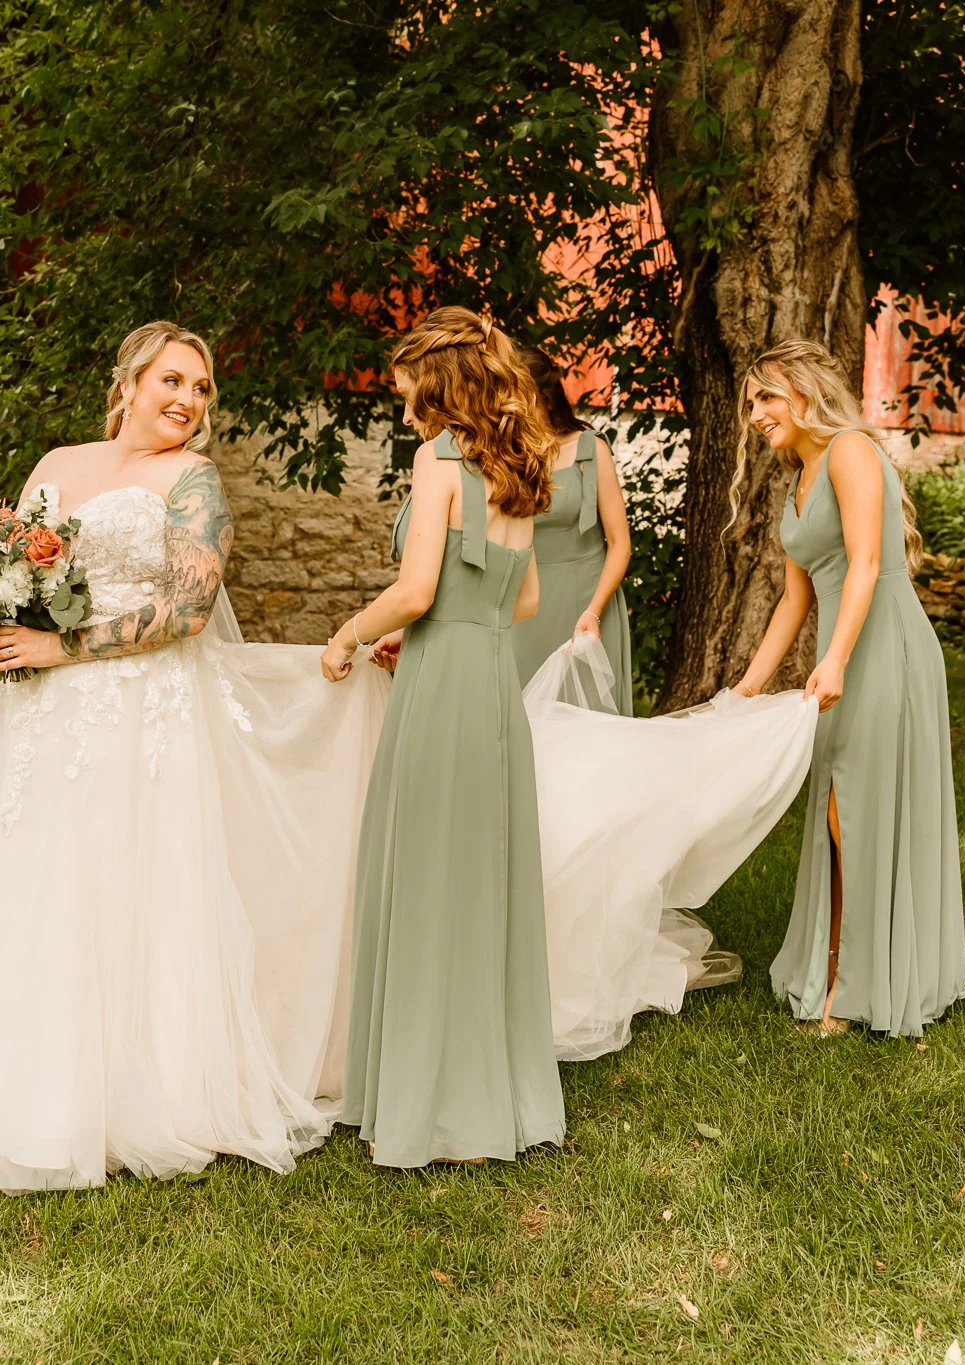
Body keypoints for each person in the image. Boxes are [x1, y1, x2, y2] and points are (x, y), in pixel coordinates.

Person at [0, 321, 390, 1191]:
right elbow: (16, 566)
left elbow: (188, 609)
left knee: (139, 882)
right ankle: (40, 1087)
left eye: (202, 389)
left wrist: (64, 648)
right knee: (51, 880)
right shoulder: (56, 465)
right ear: (128, 382)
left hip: (146, 708)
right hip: (44, 717)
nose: (187, 401)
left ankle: (156, 1094)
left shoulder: (195, 481)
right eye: (173, 380)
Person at [320, 306, 566, 1168]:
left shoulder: (439, 462)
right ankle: (490, 1093)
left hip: (441, 688)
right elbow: (525, 601)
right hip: (493, 683)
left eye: (404, 388)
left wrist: (354, 630)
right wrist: (436, 623)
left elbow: (417, 587)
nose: (401, 406)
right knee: (480, 878)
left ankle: (427, 1101)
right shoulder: (518, 466)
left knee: (428, 873)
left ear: (437, 381)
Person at [728, 338, 965, 1037]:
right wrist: (747, 686)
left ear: (805, 393)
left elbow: (866, 564)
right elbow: (792, 601)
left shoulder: (853, 453)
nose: (755, 414)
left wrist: (833, 659)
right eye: (750, 402)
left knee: (854, 810)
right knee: (838, 810)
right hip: (841, 653)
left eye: (767, 396)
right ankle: (839, 975)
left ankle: (858, 986)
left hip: (883, 647)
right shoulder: (797, 481)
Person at [510, 346, 634, 715]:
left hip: (586, 600)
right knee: (526, 719)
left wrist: (593, 612)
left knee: (588, 723)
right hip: (525, 604)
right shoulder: (509, 456)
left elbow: (620, 544)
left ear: (542, 397)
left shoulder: (588, 449)